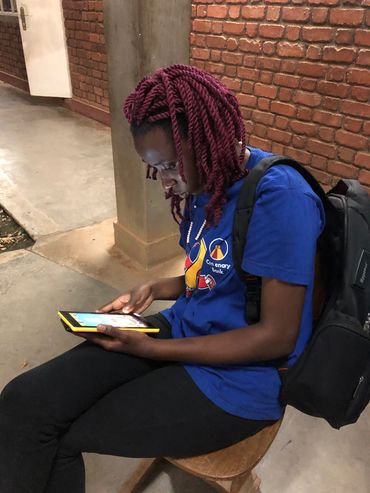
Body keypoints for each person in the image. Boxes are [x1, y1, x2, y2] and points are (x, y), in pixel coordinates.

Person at [0, 64, 325, 493]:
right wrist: (156, 287)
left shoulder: (279, 198)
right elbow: (212, 274)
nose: (166, 181)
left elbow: (277, 337)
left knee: (62, 434)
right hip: (183, 329)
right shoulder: (201, 183)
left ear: (210, 141)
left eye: (171, 165)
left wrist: (157, 349)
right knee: (22, 401)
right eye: (156, 169)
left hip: (240, 379)